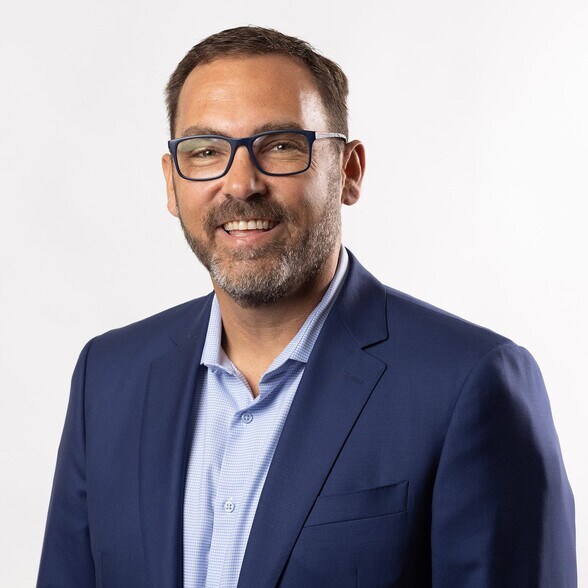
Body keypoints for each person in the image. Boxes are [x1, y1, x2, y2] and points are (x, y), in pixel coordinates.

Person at [37, 26, 576, 587]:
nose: (240, 184)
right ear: (172, 184)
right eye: (205, 151)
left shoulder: (467, 383)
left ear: (348, 171)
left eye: (280, 146)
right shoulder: (107, 378)